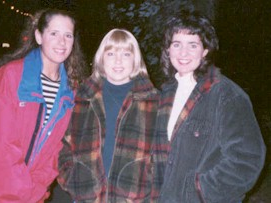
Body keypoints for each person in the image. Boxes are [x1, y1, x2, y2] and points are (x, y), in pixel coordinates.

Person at [0, 8, 86, 202]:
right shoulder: (11, 77)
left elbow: (56, 153)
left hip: (31, 196)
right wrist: (23, 193)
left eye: (68, 35)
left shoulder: (69, 94)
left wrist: (35, 190)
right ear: (39, 36)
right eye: (54, 33)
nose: (62, 42)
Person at [157, 10, 266, 203]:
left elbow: (247, 160)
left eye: (193, 45)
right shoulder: (164, 94)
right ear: (168, 50)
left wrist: (200, 191)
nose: (183, 53)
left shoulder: (227, 96)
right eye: (177, 44)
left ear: (205, 50)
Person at [57, 28, 167, 202]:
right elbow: (63, 145)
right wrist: (73, 181)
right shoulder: (82, 97)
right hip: (87, 198)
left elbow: (162, 159)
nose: (118, 61)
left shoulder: (154, 101)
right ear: (101, 59)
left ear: (135, 60)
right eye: (110, 54)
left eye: (126, 54)